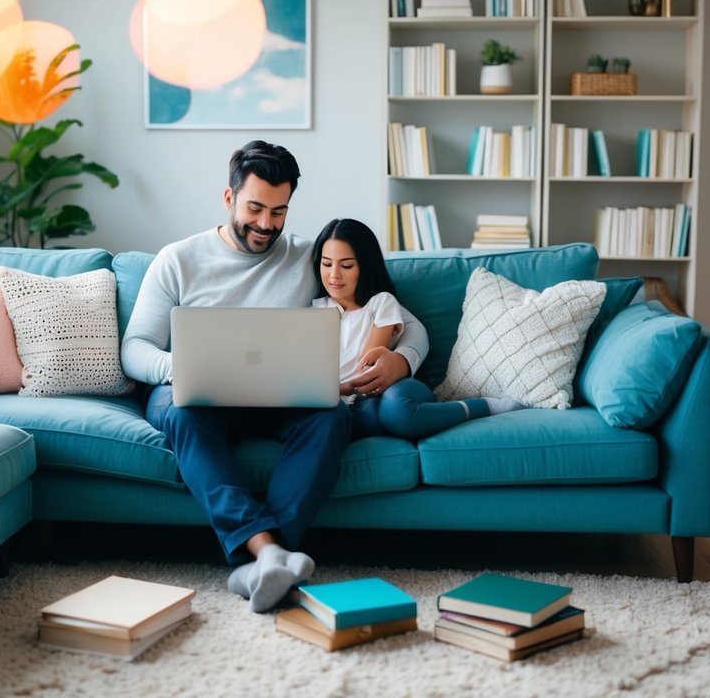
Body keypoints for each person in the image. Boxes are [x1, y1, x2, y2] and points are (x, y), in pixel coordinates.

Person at [120, 142, 430, 613]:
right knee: (180, 412)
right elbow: (134, 348)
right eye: (255, 209)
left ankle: (265, 560)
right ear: (228, 199)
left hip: (284, 400)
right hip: (201, 399)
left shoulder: (313, 259)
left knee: (330, 416)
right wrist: (179, 367)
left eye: (279, 211)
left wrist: (402, 359)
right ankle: (269, 552)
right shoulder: (178, 259)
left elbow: (412, 325)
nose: (266, 224)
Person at [311, 218, 522, 440]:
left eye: (346, 265)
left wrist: (334, 389)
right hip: (340, 402)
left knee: (385, 413)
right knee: (358, 419)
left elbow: (367, 371)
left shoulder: (381, 303)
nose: (334, 274)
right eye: (326, 264)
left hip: (374, 394)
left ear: (364, 266)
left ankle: (483, 407)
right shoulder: (316, 310)